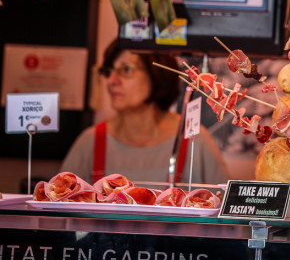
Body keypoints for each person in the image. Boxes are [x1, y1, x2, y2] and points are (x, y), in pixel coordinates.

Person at [61, 39, 229, 185]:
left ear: (157, 73)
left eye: (126, 70)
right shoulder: (89, 142)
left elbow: (226, 212)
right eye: (109, 71)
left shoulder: (195, 140)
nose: (111, 81)